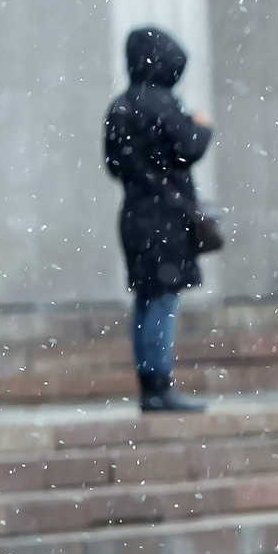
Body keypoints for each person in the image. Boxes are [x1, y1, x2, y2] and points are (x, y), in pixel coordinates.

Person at [103, 28, 214, 413]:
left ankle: (149, 383)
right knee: (163, 300)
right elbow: (190, 147)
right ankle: (159, 384)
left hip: (134, 214)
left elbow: (114, 166)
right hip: (165, 218)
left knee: (146, 298)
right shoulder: (162, 105)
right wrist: (201, 125)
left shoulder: (119, 107)